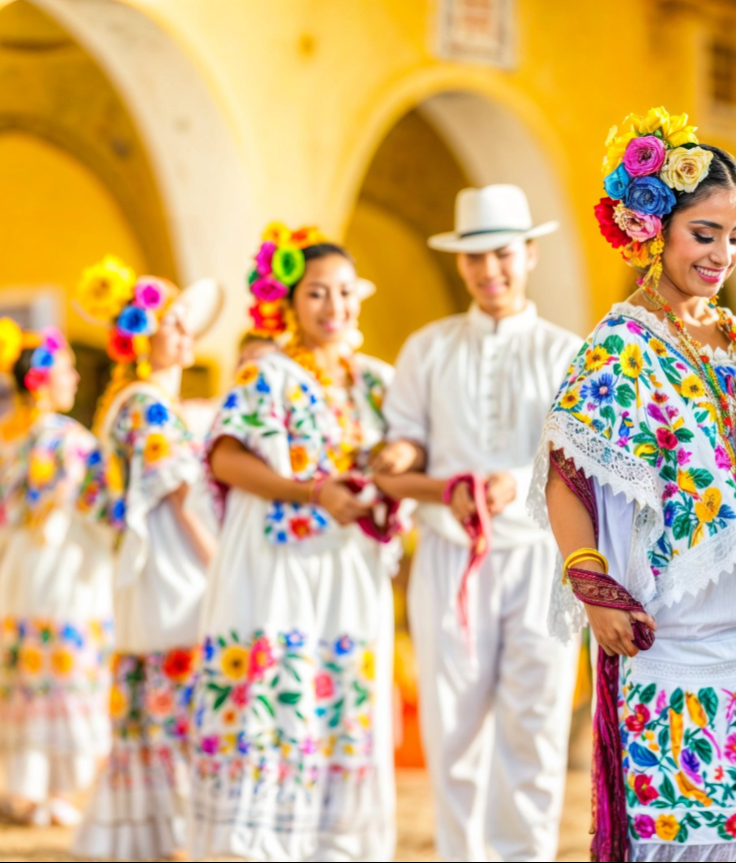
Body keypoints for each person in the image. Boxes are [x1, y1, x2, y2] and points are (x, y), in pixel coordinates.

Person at [534, 107, 736, 862]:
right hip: (676, 641)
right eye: (704, 235)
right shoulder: (618, 347)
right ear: (653, 230)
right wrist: (591, 584)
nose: (722, 255)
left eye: (735, 237)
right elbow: (565, 477)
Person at [372, 184, 580, 861]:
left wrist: (515, 481)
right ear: (459, 264)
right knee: (451, 723)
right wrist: (398, 454)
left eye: (501, 254)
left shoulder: (568, 352)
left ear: (529, 253)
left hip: (543, 558)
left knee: (536, 722)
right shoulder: (427, 347)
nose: (489, 270)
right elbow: (404, 435)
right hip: (447, 551)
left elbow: (581, 455)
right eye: (474, 257)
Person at [189, 224, 400, 861]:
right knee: (278, 687)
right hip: (278, 562)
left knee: (337, 692)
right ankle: (256, 845)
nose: (334, 308)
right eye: (316, 294)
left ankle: (332, 844)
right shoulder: (268, 375)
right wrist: (311, 493)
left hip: (348, 564)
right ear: (289, 302)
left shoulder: (374, 383)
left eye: (343, 292)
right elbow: (224, 459)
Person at [67, 258, 222, 859]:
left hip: (146, 569)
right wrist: (220, 563)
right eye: (172, 325)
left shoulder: (124, 403)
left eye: (185, 325)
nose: (185, 335)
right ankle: (170, 834)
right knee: (173, 700)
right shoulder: (151, 406)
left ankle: (146, 831)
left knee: (148, 703)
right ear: (143, 335)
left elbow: (94, 501)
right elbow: (182, 499)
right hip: (171, 569)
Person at [0, 318, 112, 827]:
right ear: (43, 380)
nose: (76, 379)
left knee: (27, 668)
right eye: (66, 370)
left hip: (18, 563)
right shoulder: (71, 440)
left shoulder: (2, 439)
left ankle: (28, 788)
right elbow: (101, 509)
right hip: (62, 563)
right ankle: (63, 787)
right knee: (65, 663)